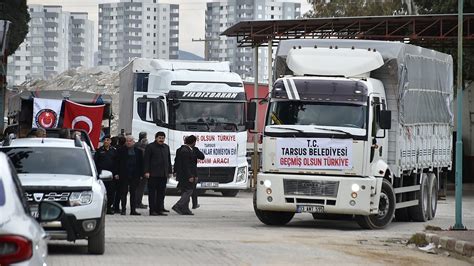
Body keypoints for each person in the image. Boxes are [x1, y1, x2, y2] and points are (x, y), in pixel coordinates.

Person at [172, 135, 205, 215]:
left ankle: (185, 209)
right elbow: (186, 165)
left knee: (185, 191)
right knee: (189, 191)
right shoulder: (185, 151)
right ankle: (178, 205)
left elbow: (202, 157)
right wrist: (190, 176)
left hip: (184, 174)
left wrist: (175, 171)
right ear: (194, 142)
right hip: (187, 175)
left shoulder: (185, 150)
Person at [144, 131, 172, 216]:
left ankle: (159, 209)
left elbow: (168, 160)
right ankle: (152, 210)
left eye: (163, 138)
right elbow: (146, 160)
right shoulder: (150, 147)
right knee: (152, 193)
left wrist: (169, 171)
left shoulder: (166, 147)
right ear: (156, 138)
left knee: (161, 193)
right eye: (159, 138)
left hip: (163, 174)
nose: (161, 140)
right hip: (153, 174)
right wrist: (146, 171)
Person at [116, 135, 143, 215]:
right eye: (127, 141)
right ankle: (123, 209)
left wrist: (141, 174)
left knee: (133, 193)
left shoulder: (138, 151)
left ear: (133, 142)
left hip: (135, 175)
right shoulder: (120, 150)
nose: (128, 142)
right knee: (123, 193)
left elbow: (141, 164)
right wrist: (117, 173)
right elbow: (117, 163)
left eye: (130, 141)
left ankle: (133, 210)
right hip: (124, 174)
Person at [94, 135, 117, 214]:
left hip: (111, 175)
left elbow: (117, 162)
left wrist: (116, 173)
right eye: (105, 140)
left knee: (111, 192)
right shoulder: (99, 151)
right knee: (102, 191)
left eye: (108, 140)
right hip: (101, 175)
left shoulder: (114, 151)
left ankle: (109, 207)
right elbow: (95, 162)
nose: (106, 141)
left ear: (110, 141)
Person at [134, 131, 149, 209]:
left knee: (138, 187)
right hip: (142, 170)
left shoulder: (135, 145)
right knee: (141, 188)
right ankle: (138, 202)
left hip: (136, 169)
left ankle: (137, 202)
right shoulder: (144, 145)